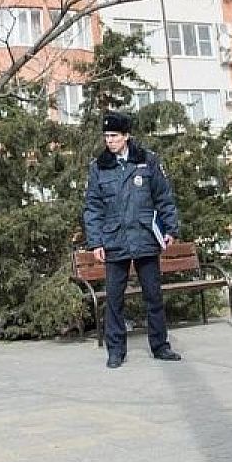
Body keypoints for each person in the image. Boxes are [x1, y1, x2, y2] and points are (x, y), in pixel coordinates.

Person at [82, 111, 182, 369]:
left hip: (145, 237)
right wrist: (96, 242)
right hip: (114, 240)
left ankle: (160, 346)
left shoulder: (147, 161)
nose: (109, 141)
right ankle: (116, 351)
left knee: (153, 296)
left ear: (126, 136)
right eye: (106, 136)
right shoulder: (98, 167)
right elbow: (92, 207)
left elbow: (163, 197)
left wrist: (169, 228)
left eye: (114, 136)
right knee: (114, 299)